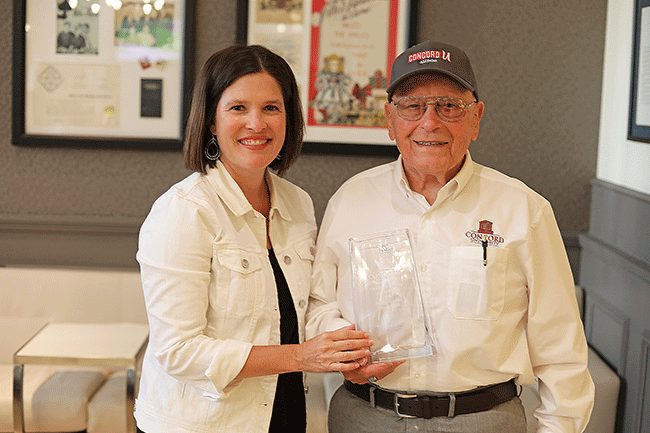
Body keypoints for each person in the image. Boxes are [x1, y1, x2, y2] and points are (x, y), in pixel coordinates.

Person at [306, 40, 595, 432]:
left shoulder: (524, 209)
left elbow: (561, 346)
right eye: (412, 106)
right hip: (363, 417)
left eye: (449, 106)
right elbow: (318, 304)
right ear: (390, 119)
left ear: (476, 117)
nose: (430, 122)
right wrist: (346, 348)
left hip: (484, 420)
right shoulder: (350, 202)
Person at [134, 45, 372, 433]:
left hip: (284, 413)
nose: (256, 123)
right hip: (200, 424)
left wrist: (351, 352)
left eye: (271, 108)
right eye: (238, 108)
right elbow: (178, 352)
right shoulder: (184, 211)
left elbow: (309, 306)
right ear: (211, 120)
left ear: (289, 118)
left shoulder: (298, 203)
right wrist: (301, 357)